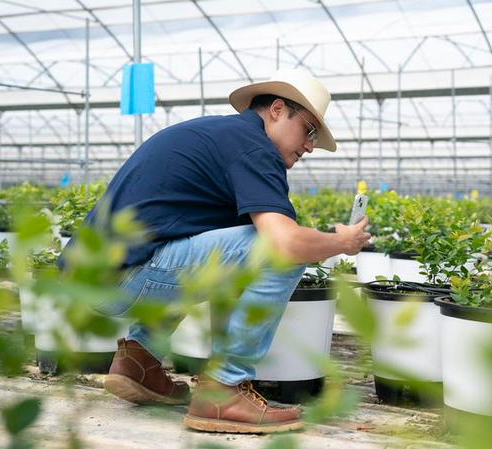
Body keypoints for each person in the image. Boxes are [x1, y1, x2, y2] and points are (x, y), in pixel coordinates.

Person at [65, 69, 370, 434]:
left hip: (91, 279)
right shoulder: (253, 148)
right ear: (276, 110)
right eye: (308, 130)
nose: (308, 146)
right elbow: (285, 244)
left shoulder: (221, 136)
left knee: (216, 256)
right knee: (278, 252)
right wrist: (341, 241)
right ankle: (224, 389)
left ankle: (138, 360)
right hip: (128, 277)